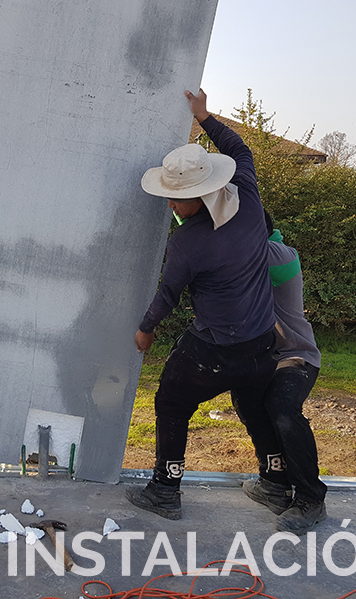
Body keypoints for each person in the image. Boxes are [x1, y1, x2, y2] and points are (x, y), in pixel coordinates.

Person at [126, 89, 278, 520]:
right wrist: (205, 117)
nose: (169, 204)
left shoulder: (188, 242)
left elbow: (167, 295)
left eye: (176, 197)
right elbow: (239, 149)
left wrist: (145, 328)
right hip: (263, 340)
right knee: (253, 405)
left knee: (172, 402)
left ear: (204, 193)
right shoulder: (247, 194)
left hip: (216, 347)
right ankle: (275, 481)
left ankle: (164, 491)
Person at [230, 212, 327, 534]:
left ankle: (311, 498)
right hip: (261, 357)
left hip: (295, 355)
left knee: (283, 408)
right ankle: (273, 482)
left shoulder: (280, 256)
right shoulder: (248, 252)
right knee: (247, 402)